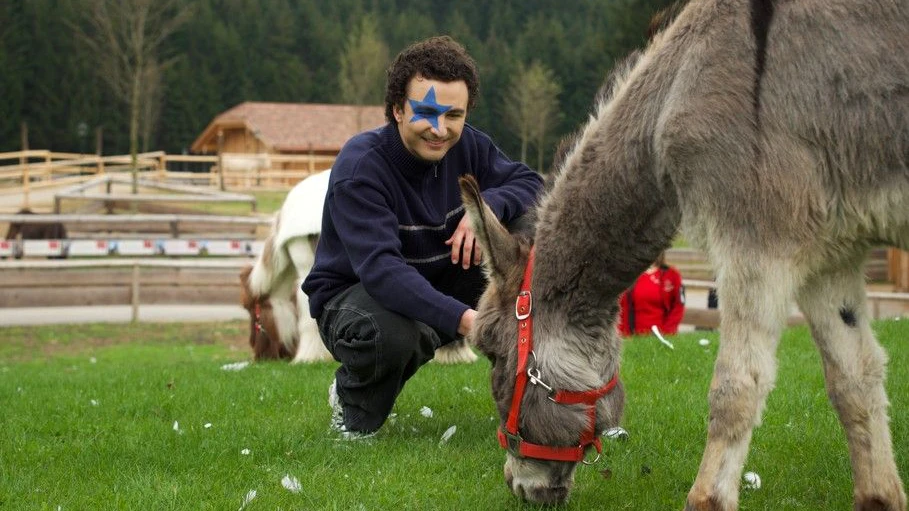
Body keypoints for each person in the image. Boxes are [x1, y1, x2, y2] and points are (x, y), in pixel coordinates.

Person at [302, 36, 544, 439]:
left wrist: (486, 209)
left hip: (439, 277)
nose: (440, 128)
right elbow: (382, 272)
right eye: (427, 112)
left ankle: (539, 400)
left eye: (454, 114)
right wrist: (472, 321)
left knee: (528, 230)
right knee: (394, 336)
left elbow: (531, 183)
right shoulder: (361, 167)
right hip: (357, 296)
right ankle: (351, 404)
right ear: (397, 109)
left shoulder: (469, 146)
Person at [617, 251, 685, 337]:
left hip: (660, 337)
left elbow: (678, 307)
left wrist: (667, 333)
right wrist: (622, 335)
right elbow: (620, 307)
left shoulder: (672, 275)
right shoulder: (627, 274)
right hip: (630, 337)